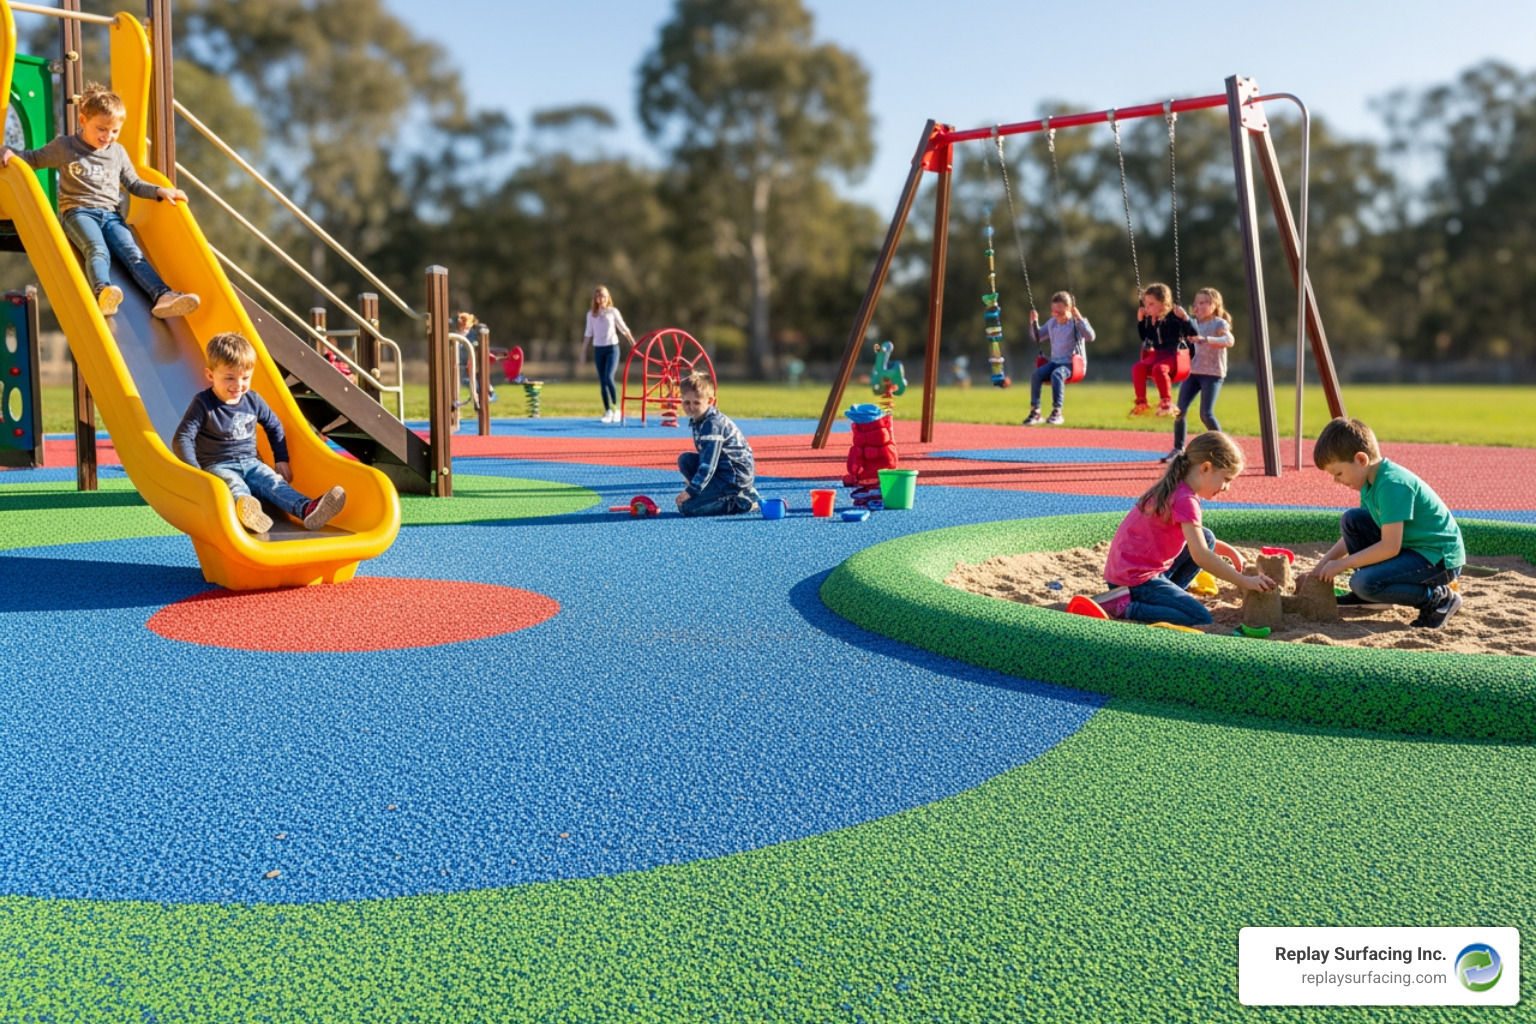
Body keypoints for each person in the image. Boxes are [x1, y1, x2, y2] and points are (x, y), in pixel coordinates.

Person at [0, 83, 199, 320]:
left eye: (115, 131)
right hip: (78, 212)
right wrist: (8, 152)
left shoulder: (117, 152)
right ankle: (103, 291)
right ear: (83, 120)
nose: (108, 137)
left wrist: (160, 191)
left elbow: (134, 184)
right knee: (96, 248)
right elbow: (33, 159)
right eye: (101, 129)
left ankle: (162, 296)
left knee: (132, 252)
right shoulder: (66, 146)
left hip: (111, 214)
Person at [173, 332, 346, 535]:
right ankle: (247, 514)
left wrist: (281, 459)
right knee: (234, 485)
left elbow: (274, 426)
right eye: (229, 378)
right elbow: (183, 437)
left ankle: (307, 509)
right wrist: (197, 473)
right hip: (217, 464)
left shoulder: (253, 400)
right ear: (211, 375)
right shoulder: (203, 403)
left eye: (245, 378)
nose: (238, 385)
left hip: (252, 462)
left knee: (273, 482)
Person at [1102, 431, 1276, 625]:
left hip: (1127, 572)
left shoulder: (1176, 486)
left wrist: (1231, 553)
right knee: (1199, 617)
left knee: (1206, 536)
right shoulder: (1185, 500)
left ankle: (1171, 594)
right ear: (1206, 468)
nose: (1227, 487)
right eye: (1226, 479)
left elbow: (1200, 541)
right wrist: (1243, 581)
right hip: (1134, 581)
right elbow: (1200, 554)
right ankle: (1126, 608)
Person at [1307, 417, 1466, 629]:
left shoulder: (1392, 484)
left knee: (1362, 582)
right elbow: (1351, 537)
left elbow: (1390, 546)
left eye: (1338, 473)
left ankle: (1438, 598)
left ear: (1361, 460)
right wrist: (1319, 568)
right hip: (1413, 548)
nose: (1337, 481)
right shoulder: (1369, 482)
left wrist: (1344, 564)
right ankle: (1373, 596)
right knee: (1352, 520)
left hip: (1438, 559)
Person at [1161, 287, 1234, 462]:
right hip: (1192, 373)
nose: (1197, 307)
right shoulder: (1193, 324)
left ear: (1214, 305)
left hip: (1212, 374)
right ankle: (1178, 449)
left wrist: (1206, 339)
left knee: (1206, 414)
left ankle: (1223, 449)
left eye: (1202, 303)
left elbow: (1229, 341)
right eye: (1195, 304)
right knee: (1180, 411)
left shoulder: (1219, 324)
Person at [674, 371, 760, 517]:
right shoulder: (698, 420)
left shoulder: (712, 424)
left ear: (710, 401)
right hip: (722, 470)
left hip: (733, 477)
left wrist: (691, 492)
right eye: (686, 402)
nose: (691, 407)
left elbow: (708, 465)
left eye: (696, 403)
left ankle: (743, 501)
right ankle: (720, 494)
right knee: (685, 459)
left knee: (688, 508)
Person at [1023, 290, 1094, 425]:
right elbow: (1037, 337)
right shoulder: (1052, 323)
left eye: (1059, 312)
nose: (1056, 315)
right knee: (1036, 375)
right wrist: (1033, 322)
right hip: (1055, 362)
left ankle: (1057, 412)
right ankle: (1036, 412)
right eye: (1053, 311)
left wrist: (1079, 318)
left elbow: (1091, 337)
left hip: (1072, 365)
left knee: (1057, 374)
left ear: (1069, 309)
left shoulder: (1075, 324)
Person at [1130, 282, 1198, 418]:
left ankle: (1167, 403)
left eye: (1151, 304)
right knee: (1138, 368)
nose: (1147, 307)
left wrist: (1185, 318)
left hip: (1174, 355)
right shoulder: (1151, 320)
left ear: (1163, 303)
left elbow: (1193, 333)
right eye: (1146, 304)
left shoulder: (1174, 317)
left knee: (1159, 369)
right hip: (1157, 354)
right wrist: (1141, 321)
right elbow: (1145, 337)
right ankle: (1141, 403)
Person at [580, 285, 635, 423]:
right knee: (602, 381)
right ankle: (608, 411)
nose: (601, 298)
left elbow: (623, 328)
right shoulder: (591, 315)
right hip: (599, 349)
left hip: (612, 349)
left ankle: (616, 409)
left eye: (604, 296)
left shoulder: (612, 312)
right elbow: (588, 334)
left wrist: (634, 344)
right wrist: (583, 352)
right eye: (598, 296)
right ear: (595, 298)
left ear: (607, 297)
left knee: (609, 377)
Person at [455, 311, 495, 409]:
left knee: (477, 379)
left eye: (464, 324)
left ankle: (483, 394)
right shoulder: (457, 335)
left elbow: (477, 344)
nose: (463, 328)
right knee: (466, 382)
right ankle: (476, 400)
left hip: (473, 363)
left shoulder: (473, 334)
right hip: (461, 365)